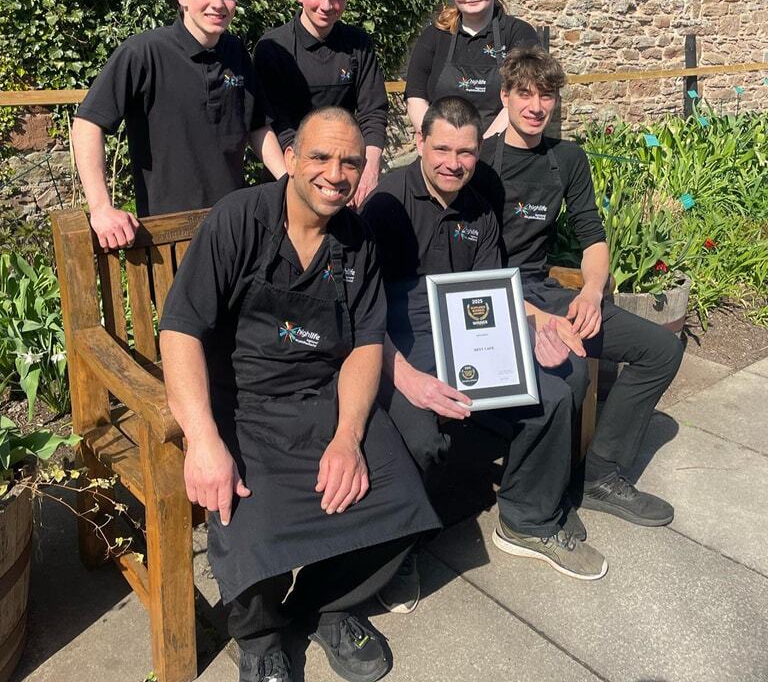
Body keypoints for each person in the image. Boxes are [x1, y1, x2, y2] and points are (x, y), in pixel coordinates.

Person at [159, 107, 440, 682]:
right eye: (320, 156)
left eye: (350, 162)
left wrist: (348, 437)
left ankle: (328, 605)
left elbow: (366, 344)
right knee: (247, 524)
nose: (335, 173)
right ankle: (260, 639)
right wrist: (203, 439)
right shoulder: (238, 221)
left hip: (320, 402)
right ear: (289, 160)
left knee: (402, 499)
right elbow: (180, 329)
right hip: (244, 406)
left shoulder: (357, 241)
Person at [361, 95, 608, 604]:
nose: (454, 163)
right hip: (400, 337)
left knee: (554, 391)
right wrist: (402, 373)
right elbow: (361, 309)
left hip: (471, 328)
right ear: (419, 143)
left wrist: (530, 329)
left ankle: (525, 520)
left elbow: (493, 288)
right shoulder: (386, 204)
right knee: (418, 429)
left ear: (480, 151)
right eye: (443, 149)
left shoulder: (481, 199)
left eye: (466, 152)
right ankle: (395, 549)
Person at [473, 47, 683, 532]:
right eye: (524, 94)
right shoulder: (480, 163)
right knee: (570, 372)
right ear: (505, 97)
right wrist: (535, 317)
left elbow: (592, 235)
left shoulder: (566, 159)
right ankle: (538, 494)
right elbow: (469, 267)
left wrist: (591, 292)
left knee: (661, 349)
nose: (535, 106)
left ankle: (600, 475)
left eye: (546, 96)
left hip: (549, 288)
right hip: (492, 299)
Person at [72, 0, 286, 251]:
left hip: (233, 226)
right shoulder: (143, 52)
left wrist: (288, 184)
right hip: (167, 235)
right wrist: (101, 208)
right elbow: (87, 124)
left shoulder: (236, 52)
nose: (218, 3)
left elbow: (257, 127)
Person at [253, 0, 387, 208]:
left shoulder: (358, 44)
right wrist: (305, 181)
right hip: (291, 179)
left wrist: (368, 170)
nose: (327, 5)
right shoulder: (273, 48)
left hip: (346, 180)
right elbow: (278, 126)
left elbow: (374, 112)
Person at [405, 0, 539, 140]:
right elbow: (415, 97)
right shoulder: (434, 36)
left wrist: (481, 147)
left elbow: (523, 99)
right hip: (443, 152)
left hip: (501, 149)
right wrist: (438, 142)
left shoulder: (518, 34)